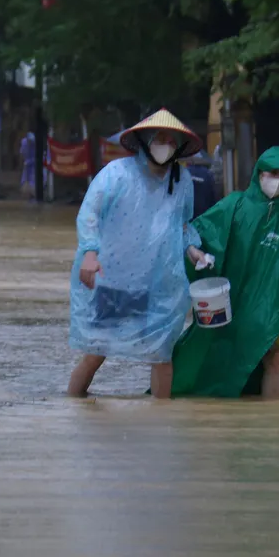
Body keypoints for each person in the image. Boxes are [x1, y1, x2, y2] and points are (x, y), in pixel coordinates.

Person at [67, 109, 210, 399]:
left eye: (171, 140)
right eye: (159, 138)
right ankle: (71, 404)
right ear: (145, 141)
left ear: (179, 147)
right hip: (115, 281)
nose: (165, 145)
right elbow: (89, 214)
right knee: (96, 353)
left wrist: (195, 252)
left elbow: (181, 226)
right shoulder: (116, 174)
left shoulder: (181, 181)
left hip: (158, 285)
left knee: (161, 355)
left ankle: (161, 423)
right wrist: (90, 253)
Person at [170, 146, 279, 399]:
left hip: (270, 305)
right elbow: (198, 232)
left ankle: (271, 422)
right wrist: (197, 255)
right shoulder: (234, 204)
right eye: (273, 173)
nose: (278, 181)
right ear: (259, 174)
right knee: (219, 352)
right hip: (232, 297)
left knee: (274, 357)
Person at [186, 149, 220, 220]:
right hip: (204, 213)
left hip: (189, 213)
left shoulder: (184, 173)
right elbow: (213, 195)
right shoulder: (208, 174)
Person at [19, 131, 38, 199]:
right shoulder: (24, 143)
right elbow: (22, 153)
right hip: (28, 164)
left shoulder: (35, 144)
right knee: (26, 180)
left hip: (33, 165)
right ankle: (28, 193)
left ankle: (32, 193)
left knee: (32, 180)